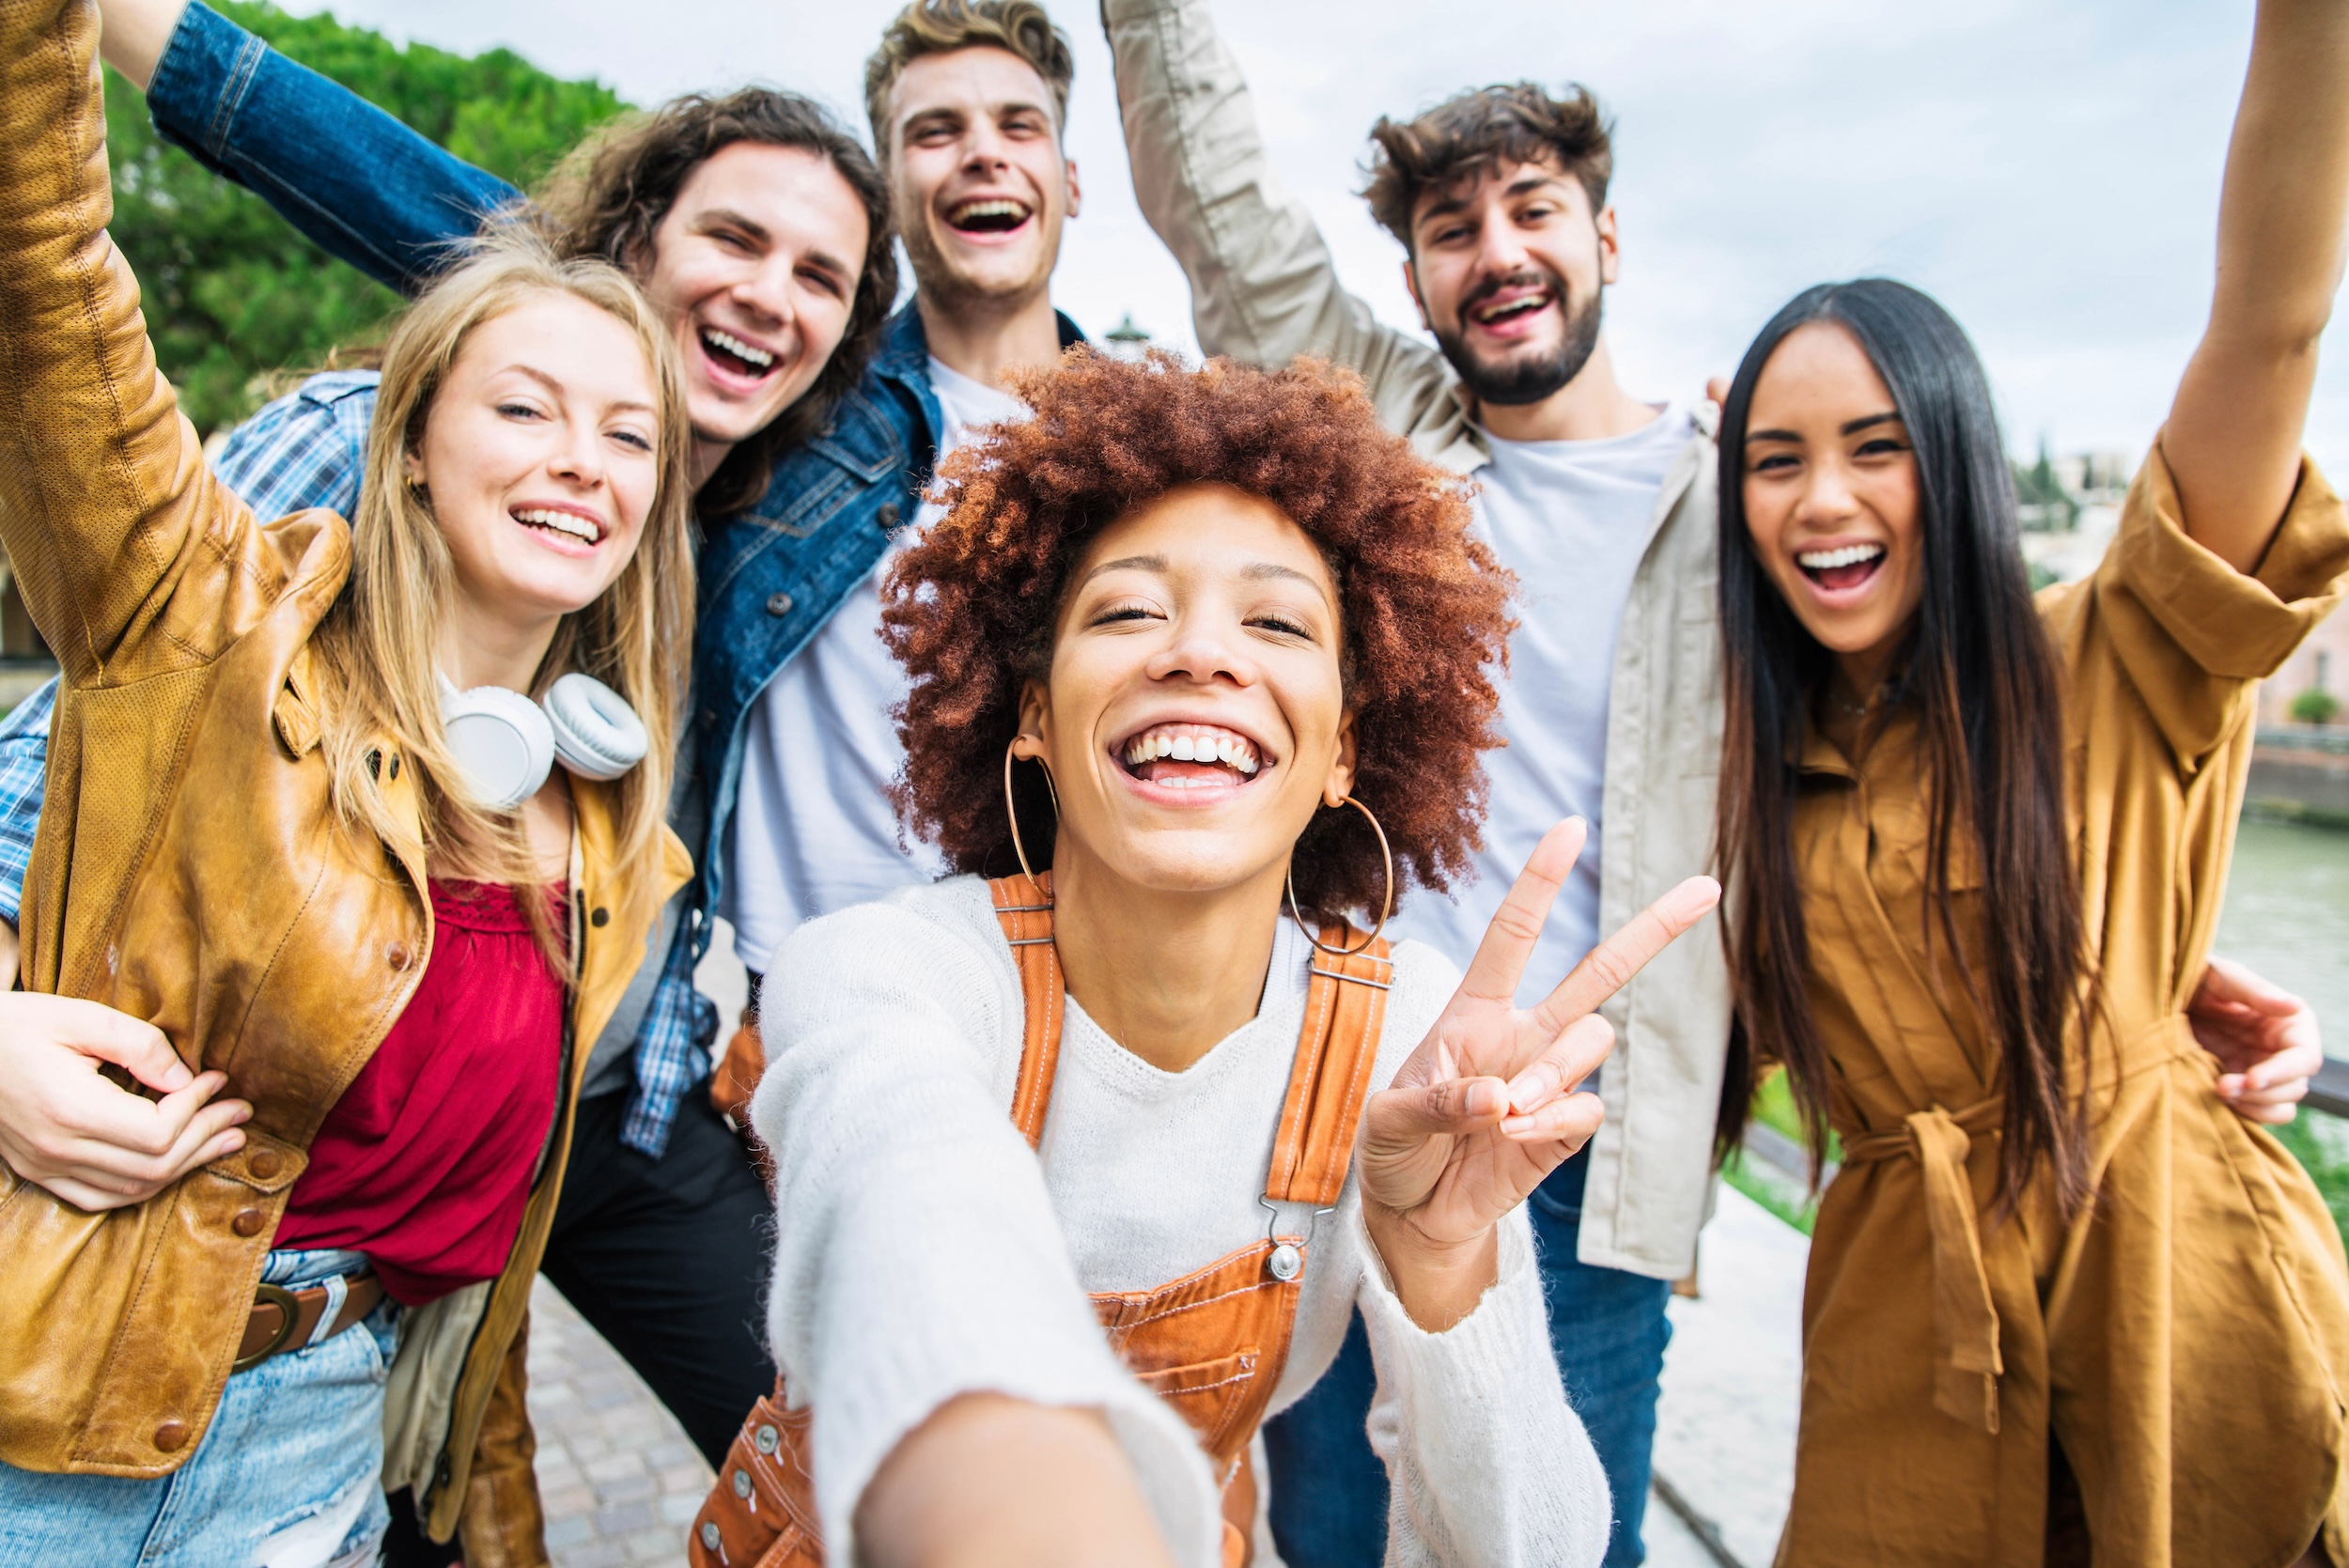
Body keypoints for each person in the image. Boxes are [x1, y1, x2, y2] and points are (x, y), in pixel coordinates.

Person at [1099, 7, 2333, 1562]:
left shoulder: (1739, 510)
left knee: (1562, 1535)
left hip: (1606, 1141)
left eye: (1534, 209)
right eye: (1449, 229)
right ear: (1412, 281)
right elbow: (1224, 218)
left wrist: (2132, 963)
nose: (1497, 252)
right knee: (1338, 1529)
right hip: (1359, 1098)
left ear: (1605, 235)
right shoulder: (1383, 448)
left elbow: (1958, 754)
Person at [0, 0, 895, 1500]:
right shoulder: (343, 464)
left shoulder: (715, 545)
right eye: (732, 239)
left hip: (588, 1109)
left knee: (808, 1450)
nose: (769, 293)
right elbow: (74, 754)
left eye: (822, 275)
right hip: (274, 1159)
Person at [691, 349, 1719, 1568]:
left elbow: (1527, 1555)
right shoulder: (879, 976)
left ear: (1344, 746)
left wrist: (1449, 1268)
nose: (1199, 653)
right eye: (1127, 608)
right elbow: (909, 1206)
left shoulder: (1408, 1045)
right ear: (1030, 717)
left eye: (1277, 620)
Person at [1708, 0, 2349, 1560]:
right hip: (1901, 1339)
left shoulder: (2118, 651)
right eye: (1776, 459)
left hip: (2170, 1290)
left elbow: (2267, 320)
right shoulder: (1753, 775)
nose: (1826, 497)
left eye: (1877, 444)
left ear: (1960, 455)